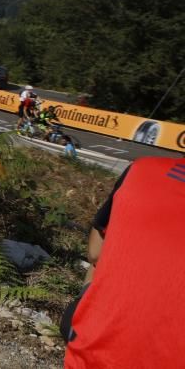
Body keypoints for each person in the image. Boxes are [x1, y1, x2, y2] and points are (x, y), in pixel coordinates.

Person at [63, 157, 185, 368]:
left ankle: (90, 334)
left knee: (100, 261)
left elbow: (94, 253)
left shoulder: (143, 168)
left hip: (92, 356)